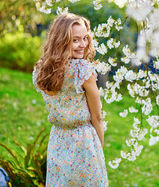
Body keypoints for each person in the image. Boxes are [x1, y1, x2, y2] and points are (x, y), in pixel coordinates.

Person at [32, 13, 108, 187]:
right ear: (61, 41)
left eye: (85, 38)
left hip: (58, 140)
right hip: (84, 142)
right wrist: (98, 148)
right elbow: (97, 117)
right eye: (75, 40)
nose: (83, 45)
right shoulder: (83, 70)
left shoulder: (41, 70)